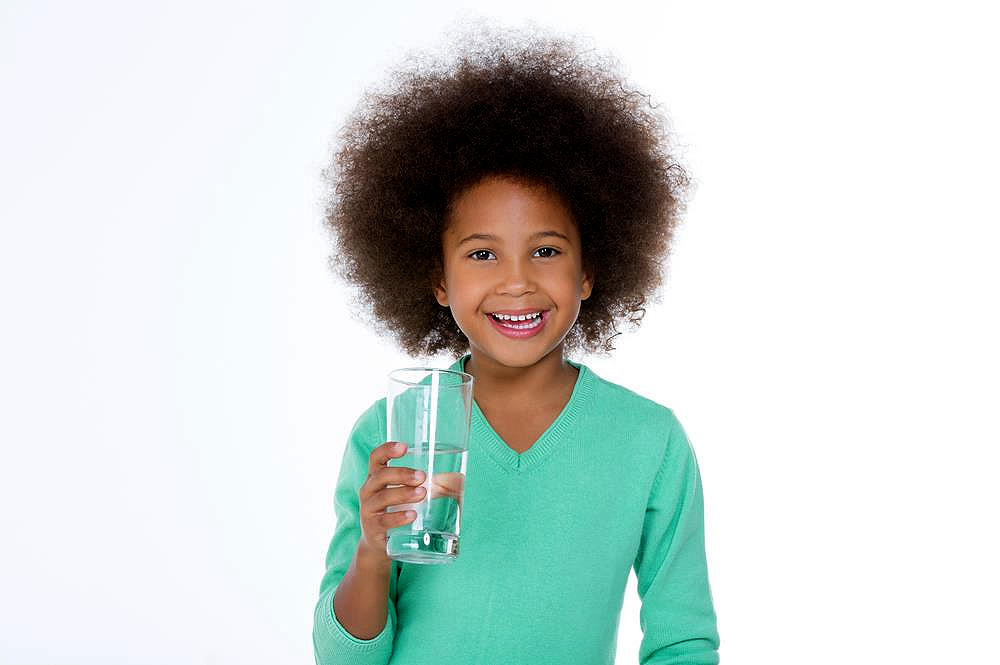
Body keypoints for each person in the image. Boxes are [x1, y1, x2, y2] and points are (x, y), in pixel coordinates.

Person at [312, 25, 721, 665]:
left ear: (590, 269)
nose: (517, 281)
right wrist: (371, 547)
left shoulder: (649, 440)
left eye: (547, 250)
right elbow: (346, 658)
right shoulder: (392, 433)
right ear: (438, 280)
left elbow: (683, 641)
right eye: (481, 254)